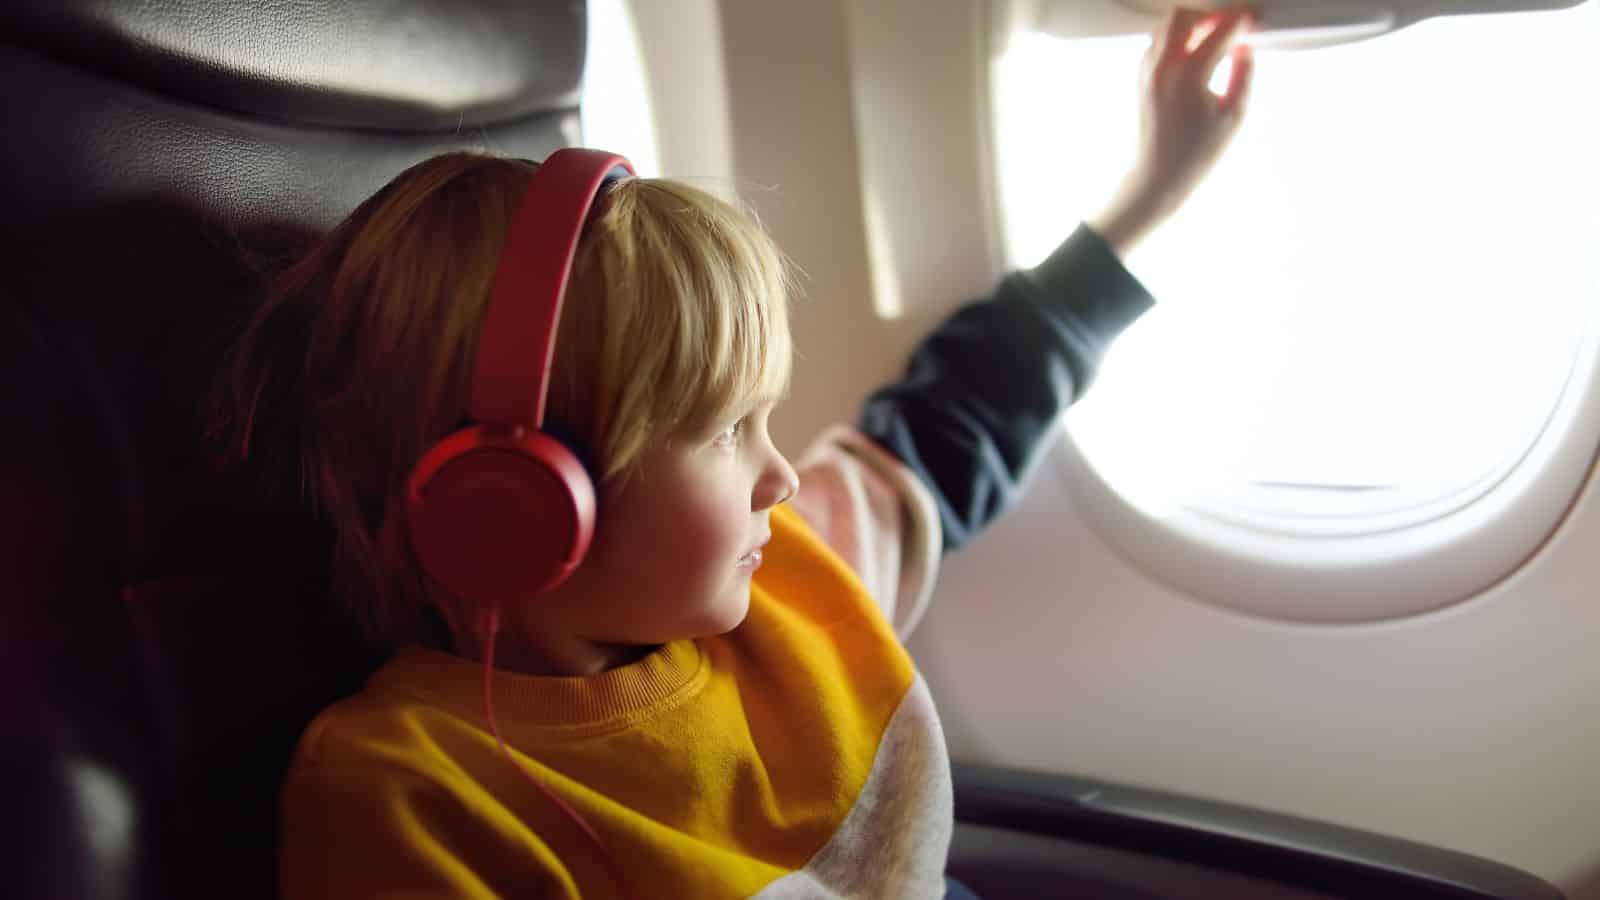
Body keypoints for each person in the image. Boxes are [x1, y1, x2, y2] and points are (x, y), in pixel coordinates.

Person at [207, 7, 1254, 898]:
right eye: (723, 430)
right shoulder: (408, 796)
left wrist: (1146, 198)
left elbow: (942, 439)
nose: (781, 476)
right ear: (521, 501)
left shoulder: (781, 590)